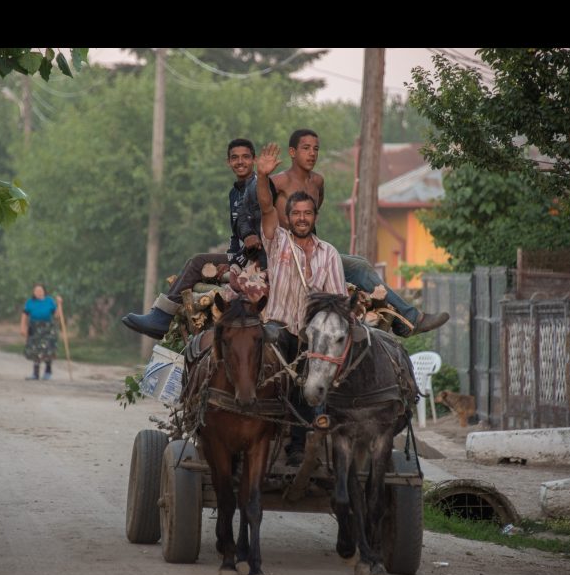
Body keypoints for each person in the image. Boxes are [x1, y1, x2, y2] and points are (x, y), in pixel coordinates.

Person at [237, 129, 449, 337]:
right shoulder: (278, 181)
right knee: (359, 267)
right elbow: (254, 210)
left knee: (358, 262)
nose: (312, 153)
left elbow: (313, 213)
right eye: (306, 148)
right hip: (282, 253)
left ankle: (404, 321)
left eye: (316, 149)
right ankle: (411, 319)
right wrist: (249, 235)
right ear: (292, 152)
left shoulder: (317, 182)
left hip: (309, 252)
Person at [256, 142, 346, 465]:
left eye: (308, 214)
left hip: (311, 337)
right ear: (288, 217)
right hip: (277, 330)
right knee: (268, 345)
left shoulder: (330, 254)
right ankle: (253, 427)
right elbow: (267, 207)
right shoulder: (276, 240)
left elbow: (338, 305)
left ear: (315, 217)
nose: (302, 218)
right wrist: (262, 175)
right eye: (296, 214)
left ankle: (298, 445)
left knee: (313, 366)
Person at [121, 138, 257, 340]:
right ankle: (161, 315)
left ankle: (161, 317)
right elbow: (237, 235)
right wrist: (230, 258)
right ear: (227, 162)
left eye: (245, 157)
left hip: (256, 258)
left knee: (197, 262)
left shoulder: (257, 188)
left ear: (254, 160)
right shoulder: (235, 192)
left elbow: (258, 233)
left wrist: (236, 264)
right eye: (235, 158)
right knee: (197, 262)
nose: (240, 162)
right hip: (239, 255)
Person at [20, 283, 63, 380]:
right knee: (35, 350)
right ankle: (35, 374)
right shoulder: (30, 302)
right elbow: (24, 315)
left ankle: (48, 372)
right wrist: (22, 327)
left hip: (48, 328)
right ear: (33, 292)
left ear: (44, 291)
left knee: (48, 349)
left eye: (40, 291)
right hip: (34, 327)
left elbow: (57, 316)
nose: (38, 293)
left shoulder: (49, 301)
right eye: (36, 291)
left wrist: (59, 304)